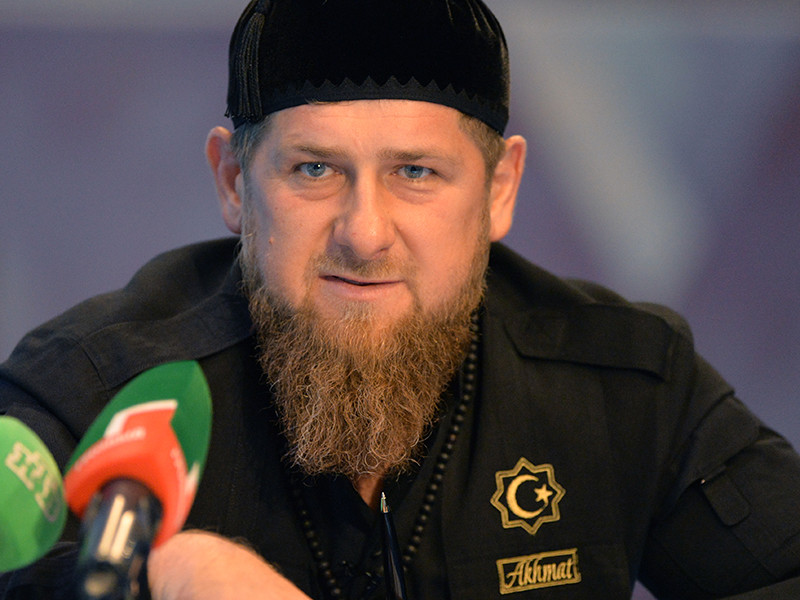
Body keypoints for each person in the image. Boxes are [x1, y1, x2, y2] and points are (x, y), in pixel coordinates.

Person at [2, 0, 800, 598]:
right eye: (314, 170)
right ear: (235, 183)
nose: (364, 233)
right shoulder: (88, 389)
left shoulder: (626, 384)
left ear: (499, 189)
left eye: (416, 172)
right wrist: (171, 574)